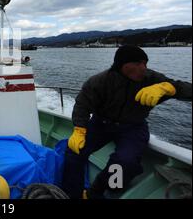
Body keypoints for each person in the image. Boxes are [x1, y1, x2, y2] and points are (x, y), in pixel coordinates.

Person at [61, 45, 192, 199]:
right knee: (73, 152)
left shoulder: (152, 80)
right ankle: (72, 194)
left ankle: (96, 192)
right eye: (137, 63)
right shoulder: (100, 81)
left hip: (133, 127)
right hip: (101, 124)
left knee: (125, 162)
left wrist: (170, 87)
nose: (143, 68)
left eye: (145, 63)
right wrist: (79, 129)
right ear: (122, 65)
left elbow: (187, 89)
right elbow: (82, 105)